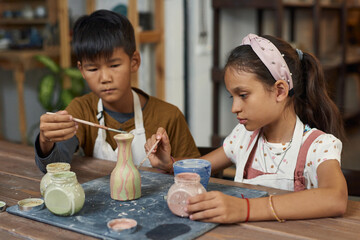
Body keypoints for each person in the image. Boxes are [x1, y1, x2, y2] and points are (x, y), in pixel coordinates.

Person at [145, 33, 348, 223]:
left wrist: (245, 209)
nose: (234, 108)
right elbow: (199, 167)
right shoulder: (243, 138)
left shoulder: (318, 146)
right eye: (231, 97)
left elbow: (335, 199)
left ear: (279, 91)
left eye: (243, 95)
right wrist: (169, 163)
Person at [35, 9, 200, 173]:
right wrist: (45, 141)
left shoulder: (168, 116)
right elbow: (55, 165)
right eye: (93, 68)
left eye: (114, 65)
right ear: (82, 70)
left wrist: (170, 163)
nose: (105, 78)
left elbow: (198, 171)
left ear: (134, 62)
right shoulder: (82, 111)